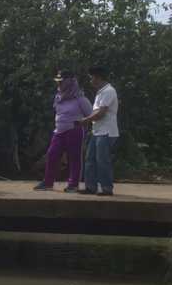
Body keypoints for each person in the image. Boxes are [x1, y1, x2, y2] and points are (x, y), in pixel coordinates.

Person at [33, 70, 93, 192]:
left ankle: (73, 184)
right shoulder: (59, 96)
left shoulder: (80, 99)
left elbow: (91, 115)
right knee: (52, 154)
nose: (59, 84)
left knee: (74, 158)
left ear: (69, 82)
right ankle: (48, 183)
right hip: (59, 131)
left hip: (74, 130)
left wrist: (84, 128)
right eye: (58, 82)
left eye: (61, 82)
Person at [79, 66, 120, 196]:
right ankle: (90, 186)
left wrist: (85, 120)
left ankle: (107, 188)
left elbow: (101, 113)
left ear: (98, 77)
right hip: (97, 131)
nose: (91, 80)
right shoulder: (100, 92)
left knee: (102, 160)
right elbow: (96, 112)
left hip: (106, 131)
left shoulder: (109, 91)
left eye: (92, 77)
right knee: (90, 159)